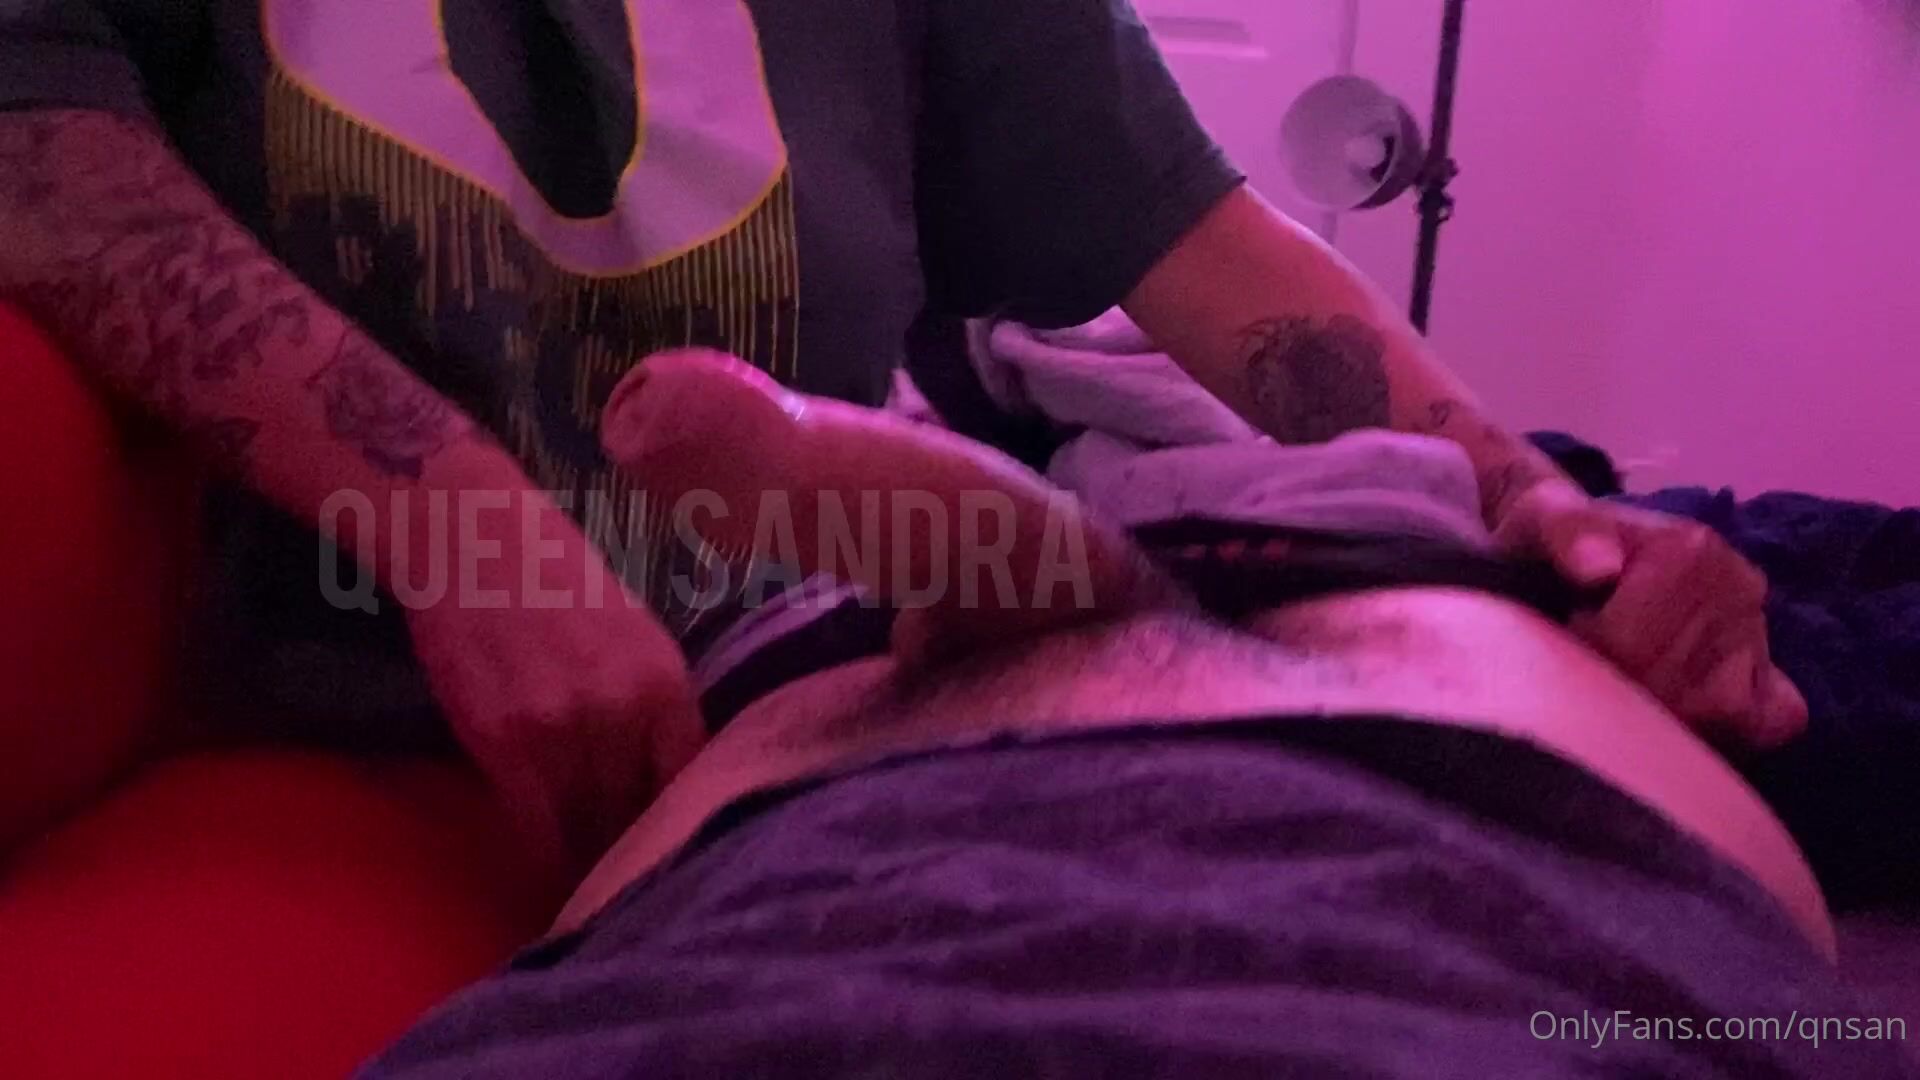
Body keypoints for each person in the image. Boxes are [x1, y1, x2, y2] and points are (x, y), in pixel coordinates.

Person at [0, 0, 1802, 870]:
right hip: (421, 715)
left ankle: (1024, 551)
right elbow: (35, 135)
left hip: (841, 649)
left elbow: (1203, 248)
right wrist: (452, 521)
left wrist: (1533, 504)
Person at [348, 359, 1914, 1078]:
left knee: (1779, 574)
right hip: (1421, 632)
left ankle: (1042, 572)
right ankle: (1034, 569)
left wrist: (1555, 502)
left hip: (1401, 576)